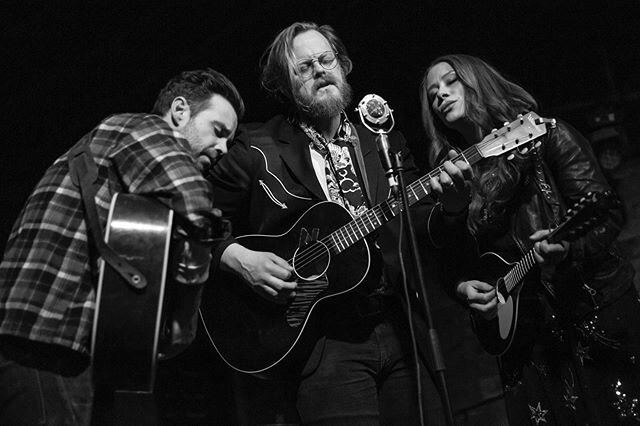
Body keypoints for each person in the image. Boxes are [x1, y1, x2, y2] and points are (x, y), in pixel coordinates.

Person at [204, 21, 470, 425]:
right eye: (303, 67)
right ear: (284, 85)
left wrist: (451, 207)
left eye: (325, 59)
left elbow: (422, 234)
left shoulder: (384, 142)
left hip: (399, 327)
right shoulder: (257, 147)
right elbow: (193, 216)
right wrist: (236, 257)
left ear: (343, 66)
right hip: (320, 342)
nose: (319, 70)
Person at [0, 67, 244, 425]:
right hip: (46, 340)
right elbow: (194, 205)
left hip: (37, 336)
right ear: (180, 112)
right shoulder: (144, 128)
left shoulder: (111, 146)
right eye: (218, 131)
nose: (223, 148)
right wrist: (184, 320)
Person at [420, 54, 640, 425]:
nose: (440, 94)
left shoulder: (544, 134)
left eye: (451, 81)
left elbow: (608, 212)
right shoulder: (453, 180)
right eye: (431, 94)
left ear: (479, 81)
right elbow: (452, 265)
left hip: (592, 317)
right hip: (525, 344)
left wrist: (570, 247)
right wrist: (462, 288)